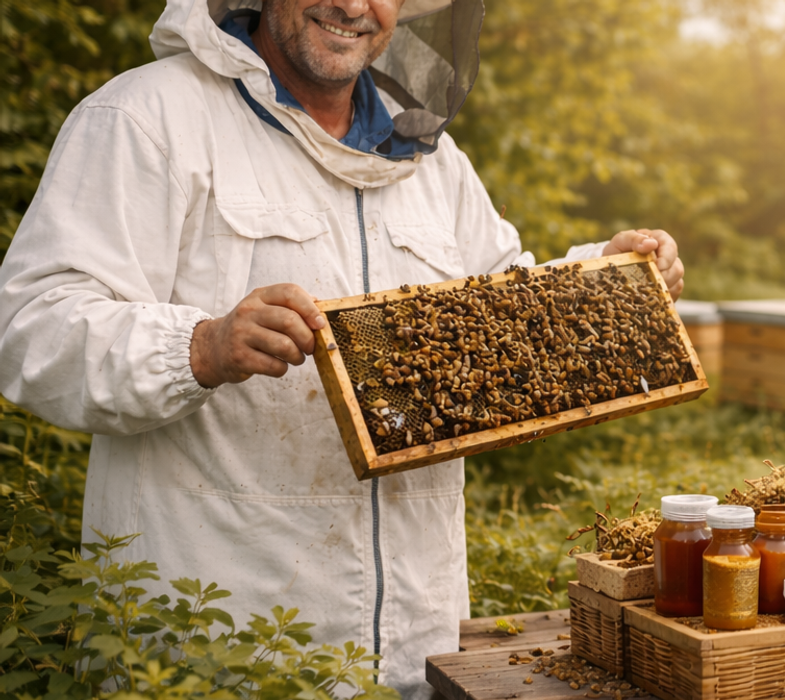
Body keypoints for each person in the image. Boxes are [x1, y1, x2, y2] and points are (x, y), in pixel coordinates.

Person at [0, 1, 683, 696]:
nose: (354, 5)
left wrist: (604, 276)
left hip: (415, 651)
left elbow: (505, 309)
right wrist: (202, 347)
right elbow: (33, 328)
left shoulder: (429, 157)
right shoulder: (148, 119)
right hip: (218, 653)